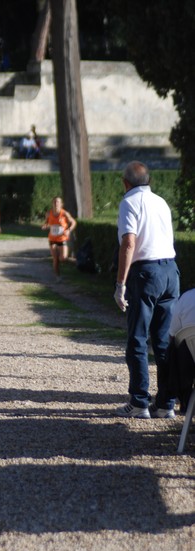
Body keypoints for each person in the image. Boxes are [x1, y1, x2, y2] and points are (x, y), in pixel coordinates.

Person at [114, 161, 180, 419]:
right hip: (170, 270)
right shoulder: (161, 201)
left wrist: (120, 283)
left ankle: (139, 401)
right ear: (149, 181)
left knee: (138, 339)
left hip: (146, 272)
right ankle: (166, 403)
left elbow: (129, 242)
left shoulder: (129, 202)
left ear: (125, 182)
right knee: (163, 341)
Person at [41, 196, 77, 282]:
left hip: (62, 238)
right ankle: (57, 277)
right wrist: (44, 226)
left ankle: (71, 262)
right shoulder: (49, 213)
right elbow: (46, 223)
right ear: (52, 204)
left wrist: (69, 230)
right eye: (54, 202)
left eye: (58, 202)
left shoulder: (64, 213)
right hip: (52, 238)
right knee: (55, 259)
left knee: (63, 258)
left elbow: (74, 222)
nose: (56, 204)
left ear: (61, 204)